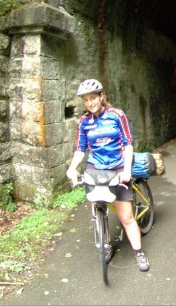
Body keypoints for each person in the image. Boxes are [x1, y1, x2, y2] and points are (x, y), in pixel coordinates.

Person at [66, 78, 150, 272]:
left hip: (118, 167)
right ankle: (106, 245)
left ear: (101, 97)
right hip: (95, 168)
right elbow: (80, 149)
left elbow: (128, 143)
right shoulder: (84, 121)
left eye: (93, 98)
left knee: (126, 216)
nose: (90, 103)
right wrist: (72, 168)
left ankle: (139, 253)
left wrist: (127, 170)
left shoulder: (116, 115)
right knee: (97, 209)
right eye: (86, 100)